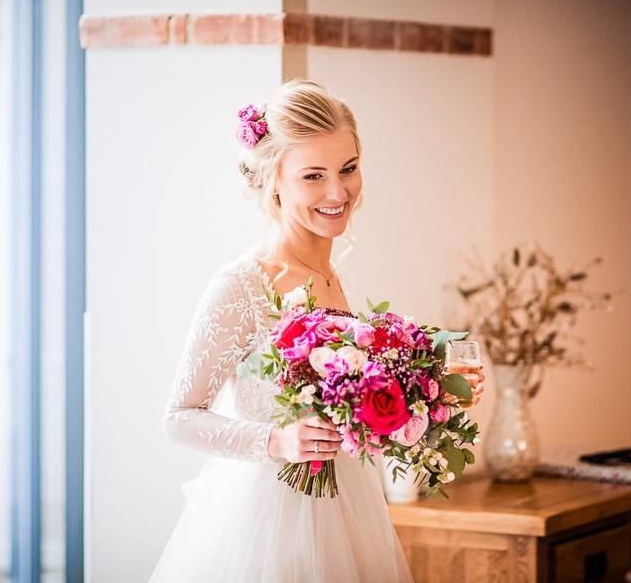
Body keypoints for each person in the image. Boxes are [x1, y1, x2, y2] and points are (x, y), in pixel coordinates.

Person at [150, 78, 482, 582]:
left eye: (348, 169)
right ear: (274, 181)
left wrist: (429, 395)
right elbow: (179, 417)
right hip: (272, 527)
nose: (337, 191)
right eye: (313, 176)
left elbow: (346, 410)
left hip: (350, 507)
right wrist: (277, 441)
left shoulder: (333, 275)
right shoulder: (243, 285)